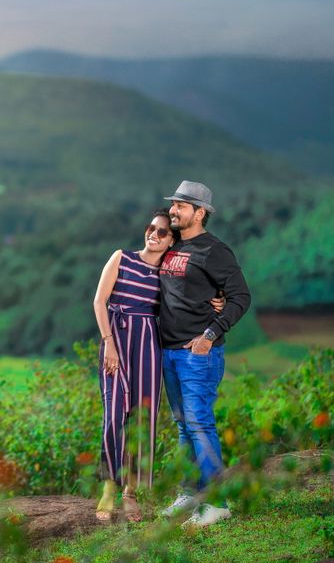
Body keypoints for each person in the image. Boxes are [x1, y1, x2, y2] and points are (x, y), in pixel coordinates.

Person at [92, 209, 224, 522]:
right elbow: (99, 301)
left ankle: (131, 493)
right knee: (114, 415)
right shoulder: (122, 258)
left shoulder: (167, 271)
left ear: (171, 241)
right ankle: (109, 488)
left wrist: (217, 298)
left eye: (163, 232)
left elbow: (188, 294)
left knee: (143, 419)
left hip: (150, 345)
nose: (154, 234)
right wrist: (108, 342)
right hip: (117, 341)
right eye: (151, 228)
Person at [157, 180, 251, 527]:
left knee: (199, 424)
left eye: (182, 205)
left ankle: (218, 502)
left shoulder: (214, 250)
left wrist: (210, 334)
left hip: (199, 354)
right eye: (174, 204)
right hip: (169, 353)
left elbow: (241, 297)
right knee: (184, 426)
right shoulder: (170, 246)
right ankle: (190, 492)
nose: (174, 210)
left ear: (200, 212)